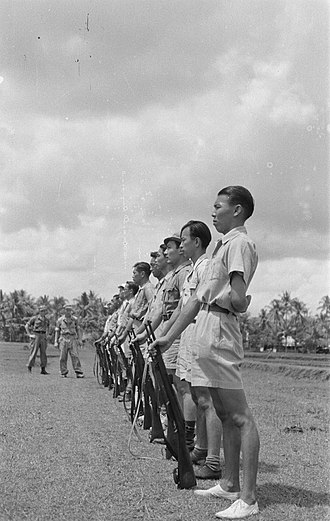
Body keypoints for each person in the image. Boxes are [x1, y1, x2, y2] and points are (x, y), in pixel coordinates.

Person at [149, 186, 260, 519]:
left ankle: (249, 498)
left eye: (218, 207)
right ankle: (228, 483)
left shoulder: (239, 244)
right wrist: (168, 336)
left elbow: (238, 298)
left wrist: (238, 302)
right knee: (225, 414)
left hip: (221, 329)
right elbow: (196, 301)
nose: (213, 213)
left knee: (240, 416)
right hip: (207, 327)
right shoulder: (224, 246)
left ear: (237, 210)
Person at [54, 304, 84, 378]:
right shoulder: (60, 320)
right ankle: (63, 371)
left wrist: (80, 339)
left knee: (75, 355)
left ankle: (78, 371)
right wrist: (55, 341)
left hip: (72, 338)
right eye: (67, 310)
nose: (68, 311)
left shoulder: (75, 319)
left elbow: (78, 329)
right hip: (63, 338)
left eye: (70, 310)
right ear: (64, 310)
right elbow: (57, 331)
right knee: (62, 356)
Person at [25, 305, 50, 374]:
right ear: (39, 311)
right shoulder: (34, 318)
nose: (43, 312)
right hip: (36, 335)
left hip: (43, 336)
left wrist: (46, 336)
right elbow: (26, 326)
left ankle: (43, 369)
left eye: (44, 311)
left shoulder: (47, 320)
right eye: (42, 310)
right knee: (33, 352)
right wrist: (30, 334)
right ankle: (29, 367)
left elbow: (48, 328)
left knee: (43, 353)